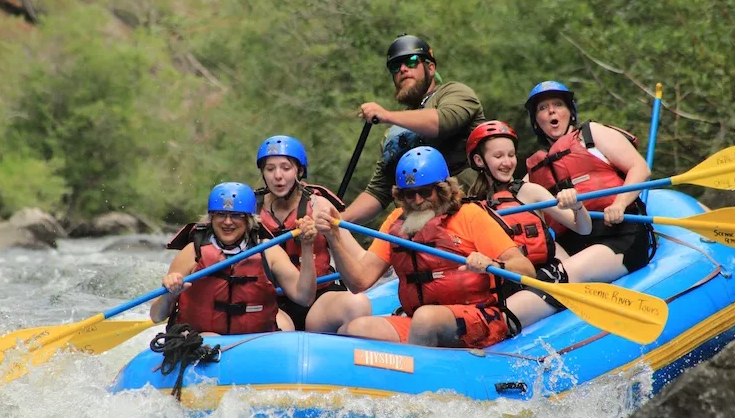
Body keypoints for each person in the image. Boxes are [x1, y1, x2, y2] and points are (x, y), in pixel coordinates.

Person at [314, 146, 536, 347]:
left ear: (443, 190)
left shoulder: (470, 215)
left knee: (425, 319)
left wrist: (492, 264)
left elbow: (525, 269)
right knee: (354, 329)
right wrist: (334, 239)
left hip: (476, 318)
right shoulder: (396, 222)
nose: (417, 201)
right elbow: (359, 282)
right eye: (409, 194)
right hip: (417, 320)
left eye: (425, 192)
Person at [499, 81, 654, 331]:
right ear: (536, 121)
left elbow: (640, 168)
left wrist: (620, 203)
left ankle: (502, 324)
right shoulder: (532, 176)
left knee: (555, 278)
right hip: (574, 245)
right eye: (543, 108)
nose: (551, 112)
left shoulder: (593, 135)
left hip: (619, 234)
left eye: (558, 105)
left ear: (570, 112)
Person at [343, 34, 486, 224]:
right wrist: (339, 221)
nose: (402, 69)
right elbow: (378, 191)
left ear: (431, 67)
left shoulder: (455, 93)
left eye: (411, 62)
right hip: (418, 227)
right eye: (395, 67)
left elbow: (442, 122)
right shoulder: (393, 133)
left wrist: (386, 115)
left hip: (468, 215)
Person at [150, 182, 318, 334]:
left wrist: (307, 246)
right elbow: (156, 316)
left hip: (252, 341)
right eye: (221, 214)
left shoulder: (268, 250)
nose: (228, 222)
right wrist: (169, 295)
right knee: (210, 339)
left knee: (287, 326)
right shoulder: (193, 252)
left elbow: (304, 298)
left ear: (249, 220)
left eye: (236, 215)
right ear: (211, 218)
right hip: (203, 341)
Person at [254, 135, 371, 332]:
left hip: (319, 299)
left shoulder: (319, 206)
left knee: (358, 303)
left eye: (285, 167)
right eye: (270, 169)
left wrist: (386, 259)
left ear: (299, 170)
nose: (278, 176)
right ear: (263, 173)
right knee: (280, 329)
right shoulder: (250, 213)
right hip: (271, 302)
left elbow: (359, 256)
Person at [465, 120, 592, 280]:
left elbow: (584, 229)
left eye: (511, 155)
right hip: (508, 281)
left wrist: (577, 207)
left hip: (545, 275)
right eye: (498, 156)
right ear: (479, 160)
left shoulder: (530, 192)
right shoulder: (474, 205)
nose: (507, 162)